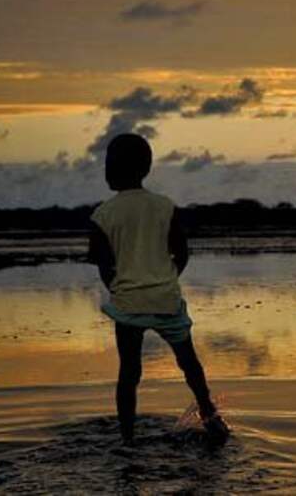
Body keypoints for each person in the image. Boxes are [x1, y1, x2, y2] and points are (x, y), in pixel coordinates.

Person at [87, 133, 230, 446]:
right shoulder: (165, 207)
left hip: (128, 303)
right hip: (166, 299)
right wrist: (166, 279)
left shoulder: (102, 215)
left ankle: (127, 439)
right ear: (146, 168)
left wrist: (121, 287)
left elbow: (103, 264)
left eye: (108, 164)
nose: (106, 170)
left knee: (129, 373)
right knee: (189, 364)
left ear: (113, 169)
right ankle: (210, 417)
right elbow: (182, 253)